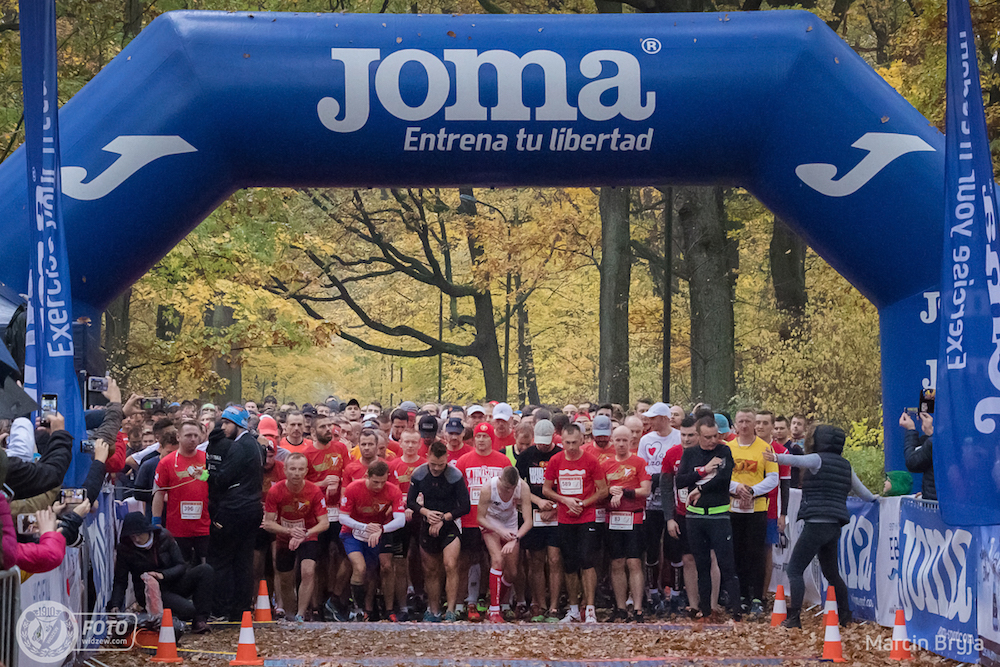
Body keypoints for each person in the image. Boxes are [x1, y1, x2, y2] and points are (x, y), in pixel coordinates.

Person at [764, 425, 877, 628]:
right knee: (832, 574)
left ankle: (794, 618)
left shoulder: (817, 459)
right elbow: (865, 494)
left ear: (818, 440)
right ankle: (845, 615)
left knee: (795, 570)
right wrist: (878, 498)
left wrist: (776, 458)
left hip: (815, 524)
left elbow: (798, 461)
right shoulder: (846, 465)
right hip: (834, 526)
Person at [675, 417, 742, 621]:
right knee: (701, 564)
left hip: (719, 515)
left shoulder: (723, 451)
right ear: (698, 436)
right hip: (695, 517)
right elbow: (680, 481)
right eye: (707, 437)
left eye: (715, 436)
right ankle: (704, 610)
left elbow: (723, 478)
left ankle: (737, 612)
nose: (712, 441)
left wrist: (701, 489)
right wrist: (703, 471)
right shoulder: (690, 453)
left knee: (726, 564)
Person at [542, 423, 608, 624]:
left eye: (574, 442)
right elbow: (546, 489)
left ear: (581, 440)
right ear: (561, 442)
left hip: (586, 516)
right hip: (565, 518)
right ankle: (572, 609)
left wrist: (582, 504)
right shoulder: (556, 460)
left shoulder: (591, 460)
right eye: (567, 443)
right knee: (569, 564)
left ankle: (590, 608)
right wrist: (564, 500)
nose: (571, 447)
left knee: (587, 560)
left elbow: (603, 490)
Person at [109, 512, 214, 633]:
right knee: (188, 610)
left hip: (172, 581)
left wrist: (163, 575)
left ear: (147, 531)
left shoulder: (164, 537)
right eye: (132, 537)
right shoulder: (125, 548)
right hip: (148, 590)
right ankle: (162, 618)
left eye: (139, 535)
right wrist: (115, 604)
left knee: (205, 570)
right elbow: (120, 580)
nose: (136, 539)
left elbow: (181, 565)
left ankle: (200, 620)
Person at [206, 406, 265, 621]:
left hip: (234, 510)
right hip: (252, 508)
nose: (223, 427)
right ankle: (241, 610)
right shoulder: (256, 445)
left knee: (221, 560)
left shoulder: (239, 447)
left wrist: (203, 475)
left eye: (226, 423)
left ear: (238, 424)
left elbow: (222, 479)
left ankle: (220, 609)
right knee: (243, 561)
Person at [662, 416, 719, 617]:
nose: (686, 439)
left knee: (711, 557)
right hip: (683, 514)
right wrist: (669, 518)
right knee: (688, 559)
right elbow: (666, 487)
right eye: (683, 435)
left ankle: (712, 606)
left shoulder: (713, 453)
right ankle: (694, 606)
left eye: (691, 435)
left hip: (709, 513)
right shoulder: (672, 454)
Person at [408, 441, 471, 622]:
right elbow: (410, 501)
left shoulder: (455, 475)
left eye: (441, 465)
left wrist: (444, 518)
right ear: (427, 457)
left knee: (450, 565)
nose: (436, 469)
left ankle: (450, 609)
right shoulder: (419, 474)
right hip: (428, 523)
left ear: (447, 459)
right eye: (433, 464)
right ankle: (433, 609)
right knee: (431, 570)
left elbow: (465, 506)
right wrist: (426, 513)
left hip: (449, 524)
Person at [263, 453, 329, 622]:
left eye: (300, 469)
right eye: (292, 469)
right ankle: (290, 615)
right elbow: (268, 523)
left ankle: (301, 613)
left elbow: (324, 523)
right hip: (284, 537)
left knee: (308, 571)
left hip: (308, 535)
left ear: (306, 471)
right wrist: (289, 532)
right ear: (285, 470)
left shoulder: (314, 491)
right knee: (285, 579)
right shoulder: (275, 491)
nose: (296, 473)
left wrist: (304, 533)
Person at [455, 422, 511, 620]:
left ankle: (493, 601)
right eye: (478, 436)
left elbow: (511, 488)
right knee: (467, 560)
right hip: (470, 519)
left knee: (495, 561)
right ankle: (465, 602)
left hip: (496, 520)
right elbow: (458, 490)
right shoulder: (463, 461)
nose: (481, 440)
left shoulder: (503, 461)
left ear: (491, 439)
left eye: (485, 436)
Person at [339, 459, 406, 621]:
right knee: (359, 567)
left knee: (374, 570)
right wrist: (364, 527)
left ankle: (373, 609)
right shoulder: (354, 488)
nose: (379, 486)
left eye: (383, 482)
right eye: (375, 482)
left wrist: (381, 529)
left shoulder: (393, 490)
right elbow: (343, 517)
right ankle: (357, 608)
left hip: (378, 531)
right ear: (367, 476)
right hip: (353, 532)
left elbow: (400, 520)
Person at [727, 408, 778, 617]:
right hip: (733, 506)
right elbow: (721, 475)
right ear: (735, 424)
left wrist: (752, 491)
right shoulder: (728, 448)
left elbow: (773, 478)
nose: (745, 425)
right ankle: (741, 596)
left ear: (755, 424)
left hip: (756, 507)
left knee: (756, 553)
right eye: (741, 421)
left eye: (749, 421)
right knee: (737, 552)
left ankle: (757, 597)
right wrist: (736, 488)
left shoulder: (765, 448)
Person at [515, 419, 563, 622]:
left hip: (557, 514)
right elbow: (518, 484)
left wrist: (554, 508)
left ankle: (554, 606)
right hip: (534, 513)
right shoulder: (527, 456)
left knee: (554, 560)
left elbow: (569, 487)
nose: (542, 446)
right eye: (540, 442)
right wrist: (537, 501)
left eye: (546, 442)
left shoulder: (560, 454)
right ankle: (539, 604)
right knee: (535, 561)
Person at [637, 401, 681, 613]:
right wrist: (652, 480)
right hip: (651, 502)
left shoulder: (678, 437)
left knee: (675, 548)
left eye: (653, 418)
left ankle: (676, 592)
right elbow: (642, 467)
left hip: (674, 501)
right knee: (652, 548)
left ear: (664, 418)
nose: (650, 421)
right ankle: (653, 591)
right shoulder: (646, 440)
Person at [603, 425, 651, 622]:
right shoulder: (605, 465)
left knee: (634, 562)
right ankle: (621, 607)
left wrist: (624, 492)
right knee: (617, 563)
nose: (621, 444)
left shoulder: (639, 462)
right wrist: (609, 492)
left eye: (625, 440)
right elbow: (599, 490)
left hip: (634, 517)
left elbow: (646, 490)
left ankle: (637, 608)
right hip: (613, 519)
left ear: (631, 441)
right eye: (618, 440)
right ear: (612, 441)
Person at [477, 466, 533, 622]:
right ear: (500, 480)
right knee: (497, 560)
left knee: (512, 572)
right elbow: (480, 518)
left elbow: (528, 521)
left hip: (510, 524)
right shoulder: (488, 488)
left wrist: (515, 538)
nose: (509, 491)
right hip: (491, 522)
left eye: (512, 488)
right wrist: (498, 531)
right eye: (506, 488)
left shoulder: (523, 488)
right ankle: (495, 610)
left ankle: (494, 603)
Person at [152, 420, 210, 564]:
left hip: (204, 526)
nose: (193, 439)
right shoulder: (166, 462)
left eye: (196, 435)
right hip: (177, 528)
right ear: (178, 437)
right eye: (188, 435)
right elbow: (159, 493)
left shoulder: (207, 459)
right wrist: (156, 522)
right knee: (181, 566)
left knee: (206, 568)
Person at [385, 429, 427, 621]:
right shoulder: (392, 466)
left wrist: (415, 506)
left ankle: (421, 596)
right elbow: (389, 493)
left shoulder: (425, 466)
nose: (410, 446)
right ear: (400, 443)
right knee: (399, 561)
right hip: (398, 519)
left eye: (413, 442)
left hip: (421, 518)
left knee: (423, 558)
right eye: (406, 442)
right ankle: (402, 604)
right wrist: (403, 507)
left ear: (419, 444)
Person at [901, 411, 936, 500]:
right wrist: (930, 434)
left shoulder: (936, 441)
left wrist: (910, 430)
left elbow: (912, 462)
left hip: (934, 502)